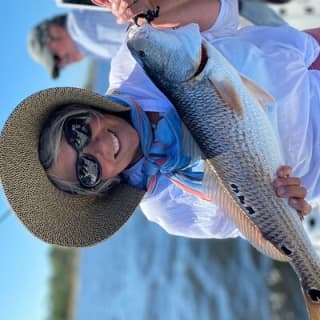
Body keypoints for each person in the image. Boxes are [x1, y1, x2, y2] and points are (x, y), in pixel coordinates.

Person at [0, 0, 312, 247]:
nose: (97, 147)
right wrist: (287, 211)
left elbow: (224, 12)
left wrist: (154, 8)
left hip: (308, 62)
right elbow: (258, 231)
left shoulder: (134, 61)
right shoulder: (168, 209)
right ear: (100, 186)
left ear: (80, 111)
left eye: (77, 132)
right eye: (87, 170)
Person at [28, 10, 127, 79]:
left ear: (54, 31)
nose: (63, 64)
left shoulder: (85, 26)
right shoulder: (86, 45)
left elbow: (140, 30)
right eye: (59, 66)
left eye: (56, 57)